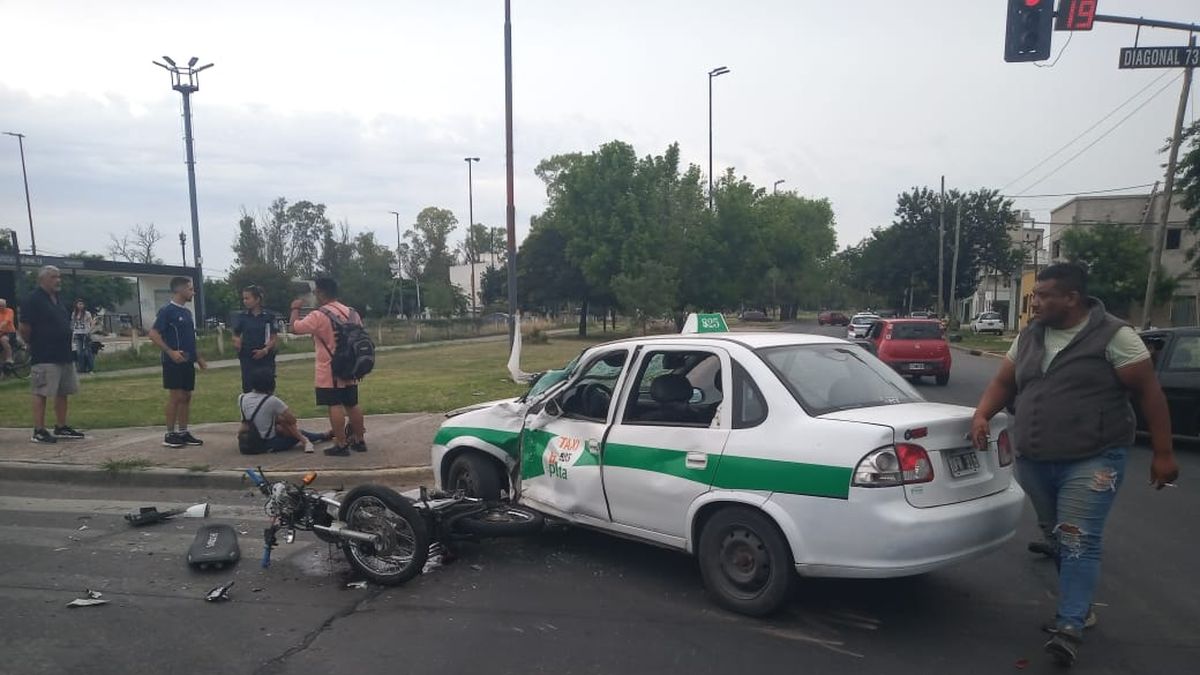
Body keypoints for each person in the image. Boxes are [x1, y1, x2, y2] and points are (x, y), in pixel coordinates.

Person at [970, 263, 1179, 667]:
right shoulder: (1031, 336)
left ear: (1072, 298)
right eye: (1036, 295)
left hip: (1094, 457)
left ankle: (1069, 626)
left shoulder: (1115, 337)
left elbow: (1150, 394)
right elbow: (1003, 383)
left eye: (1045, 295)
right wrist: (981, 414)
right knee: (1058, 536)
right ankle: (1081, 607)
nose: (1036, 302)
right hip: (1034, 458)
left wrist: (1164, 453)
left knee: (1078, 537)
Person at [288, 277, 366, 457]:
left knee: (334, 404)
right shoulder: (351, 312)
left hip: (329, 368)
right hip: (351, 366)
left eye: (316, 291)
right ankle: (359, 439)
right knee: (352, 404)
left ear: (322, 293)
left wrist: (295, 308)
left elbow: (295, 328)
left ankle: (341, 442)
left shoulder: (319, 315)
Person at [19, 266, 85, 443]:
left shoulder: (57, 299)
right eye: (54, 277)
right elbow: (24, 327)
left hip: (63, 353)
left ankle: (61, 426)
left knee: (63, 391)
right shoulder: (33, 299)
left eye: (59, 277)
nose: (58, 280)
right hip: (45, 354)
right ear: (43, 279)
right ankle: (39, 430)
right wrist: (31, 343)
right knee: (41, 391)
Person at [148, 276, 207, 448]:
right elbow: (153, 334)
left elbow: (190, 339)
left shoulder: (187, 313)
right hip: (173, 361)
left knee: (187, 396)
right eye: (190, 289)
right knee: (176, 396)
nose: (193, 292)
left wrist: (198, 358)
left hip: (187, 361)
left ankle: (183, 431)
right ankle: (170, 433)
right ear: (180, 290)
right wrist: (170, 351)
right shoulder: (167, 311)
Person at [239, 369, 330, 453]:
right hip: (266, 444)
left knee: (280, 425)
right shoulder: (272, 400)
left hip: (247, 442)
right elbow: (292, 420)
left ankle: (323, 435)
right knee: (294, 431)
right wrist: (280, 419)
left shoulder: (242, 397)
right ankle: (321, 436)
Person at [232, 285, 280, 394]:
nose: (245, 301)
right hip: (248, 357)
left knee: (266, 387)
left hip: (265, 357)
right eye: (243, 298)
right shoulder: (242, 317)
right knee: (248, 388)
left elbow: (274, 337)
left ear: (257, 299)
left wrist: (265, 350)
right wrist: (236, 341)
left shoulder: (269, 316)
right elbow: (235, 334)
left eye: (247, 298)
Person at [70, 299, 96, 374]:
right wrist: (72, 333)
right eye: (79, 304)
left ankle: (91, 369)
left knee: (88, 352)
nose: (80, 305)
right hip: (77, 334)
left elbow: (92, 323)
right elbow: (73, 324)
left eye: (82, 304)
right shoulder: (74, 313)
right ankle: (81, 369)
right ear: (76, 305)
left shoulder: (87, 314)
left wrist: (90, 331)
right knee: (79, 352)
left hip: (86, 334)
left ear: (84, 305)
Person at [0, 297, 17, 369]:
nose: (1, 307)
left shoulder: (9, 311)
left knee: (3, 340)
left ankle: (9, 358)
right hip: (1, 332)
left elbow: (6, 321)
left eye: (2, 306)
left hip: (9, 332)